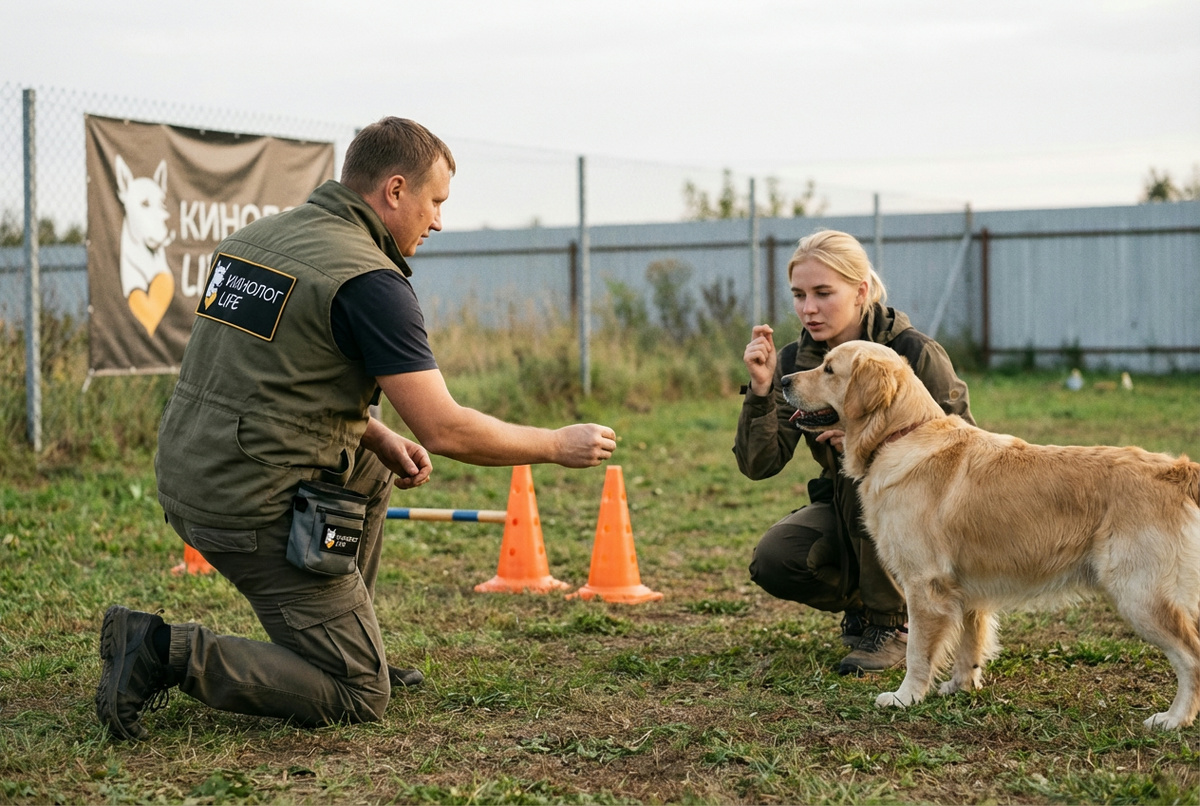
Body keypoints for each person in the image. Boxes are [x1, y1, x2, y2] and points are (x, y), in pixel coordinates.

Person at [95, 117, 618, 741]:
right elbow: (445, 428)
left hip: (191, 468)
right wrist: (556, 444)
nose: (439, 221)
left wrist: (375, 433)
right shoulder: (369, 281)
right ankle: (161, 649)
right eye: (436, 201)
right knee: (359, 694)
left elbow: (274, 376)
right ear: (395, 190)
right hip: (243, 501)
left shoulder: (254, 241)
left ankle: (348, 638)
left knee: (372, 465)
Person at [734, 229, 973, 675]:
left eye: (823, 293)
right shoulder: (795, 362)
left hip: (927, 517)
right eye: (799, 295)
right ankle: (874, 607)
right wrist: (761, 391)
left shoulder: (913, 352)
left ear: (861, 291)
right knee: (776, 559)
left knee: (869, 476)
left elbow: (965, 447)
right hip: (844, 508)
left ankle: (894, 625)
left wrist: (873, 444)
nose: (808, 308)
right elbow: (759, 463)